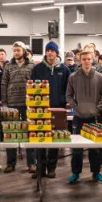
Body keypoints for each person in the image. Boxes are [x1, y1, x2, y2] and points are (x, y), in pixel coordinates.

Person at [66, 49, 102, 185]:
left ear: (92, 60)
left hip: (93, 117)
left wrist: (97, 108)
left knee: (94, 148)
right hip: (79, 117)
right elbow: (68, 95)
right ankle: (75, 173)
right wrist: (75, 106)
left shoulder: (100, 77)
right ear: (80, 61)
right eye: (84, 59)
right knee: (77, 148)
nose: (86, 61)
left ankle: (96, 173)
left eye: (89, 59)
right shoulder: (73, 77)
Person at [31, 41, 70, 178]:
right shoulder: (37, 69)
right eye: (48, 50)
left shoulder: (64, 70)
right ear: (45, 52)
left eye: (52, 51)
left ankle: (52, 168)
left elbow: (67, 89)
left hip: (57, 108)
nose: (50, 53)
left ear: (56, 53)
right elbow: (32, 88)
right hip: (40, 109)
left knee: (54, 139)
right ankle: (40, 168)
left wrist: (63, 102)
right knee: (39, 138)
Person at [1, 41, 34, 173]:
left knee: (29, 133)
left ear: (24, 51)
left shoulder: (32, 65)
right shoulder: (8, 66)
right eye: (14, 50)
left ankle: (32, 163)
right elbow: (4, 83)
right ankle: (10, 163)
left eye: (18, 50)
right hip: (12, 104)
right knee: (10, 134)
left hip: (28, 104)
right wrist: (4, 101)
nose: (16, 53)